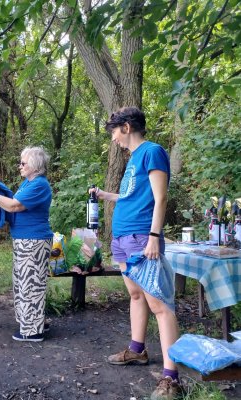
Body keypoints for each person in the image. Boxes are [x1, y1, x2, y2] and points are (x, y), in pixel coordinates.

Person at [92, 107, 181, 400]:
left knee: (160, 304)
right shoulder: (133, 160)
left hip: (142, 237)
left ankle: (171, 378)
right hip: (122, 238)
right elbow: (133, 195)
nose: (113, 138)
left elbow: (161, 197)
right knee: (136, 295)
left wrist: (154, 236)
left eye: (114, 132)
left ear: (127, 127)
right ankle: (137, 349)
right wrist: (108, 196)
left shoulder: (152, 151)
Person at [0, 146, 53, 342]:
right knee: (22, 284)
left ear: (35, 166)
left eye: (23, 163)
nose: (20, 166)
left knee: (31, 285)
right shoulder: (28, 183)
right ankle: (32, 322)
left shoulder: (40, 185)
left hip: (33, 241)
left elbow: (14, 205)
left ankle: (33, 331)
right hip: (25, 240)